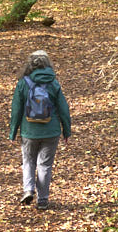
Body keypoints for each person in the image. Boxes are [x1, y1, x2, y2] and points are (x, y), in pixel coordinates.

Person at [8, 50, 72, 210]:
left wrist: (13, 131)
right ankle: (42, 199)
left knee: (28, 161)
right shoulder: (53, 83)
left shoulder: (23, 83)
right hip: (51, 131)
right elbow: (63, 108)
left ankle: (28, 190)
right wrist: (67, 130)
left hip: (29, 132)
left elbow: (16, 109)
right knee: (44, 165)